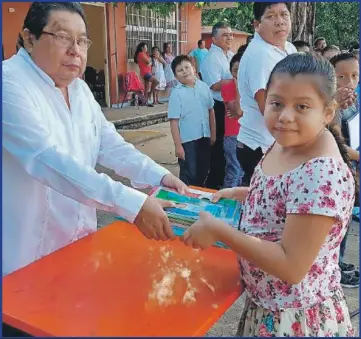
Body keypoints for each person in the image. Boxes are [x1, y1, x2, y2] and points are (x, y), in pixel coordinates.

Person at [2, 2, 188, 278]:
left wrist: (158, 176)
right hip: (25, 259)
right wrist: (131, 204)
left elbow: (109, 144)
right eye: (63, 37)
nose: (75, 50)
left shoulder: (78, 89)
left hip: (78, 249)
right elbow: (47, 160)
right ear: (30, 38)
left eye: (82, 41)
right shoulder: (10, 84)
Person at [182, 53, 355, 337]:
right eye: (277, 103)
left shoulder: (321, 173)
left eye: (302, 106)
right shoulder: (289, 141)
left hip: (295, 319)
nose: (285, 116)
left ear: (327, 112)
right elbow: (289, 196)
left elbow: (290, 266)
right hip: (267, 306)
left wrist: (219, 231)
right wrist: (249, 193)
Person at [237, 2, 297, 186]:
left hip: (278, 144)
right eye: (271, 16)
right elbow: (269, 110)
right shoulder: (260, 55)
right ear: (257, 24)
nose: (280, 22)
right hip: (261, 147)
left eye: (284, 14)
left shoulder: (289, 48)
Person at [330, 52, 360, 288]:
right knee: (338, 222)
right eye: (341, 76)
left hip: (352, 167)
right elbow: (339, 143)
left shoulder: (355, 102)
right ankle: (335, 269)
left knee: (348, 218)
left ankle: (340, 262)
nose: (349, 82)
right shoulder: (333, 106)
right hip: (339, 170)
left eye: (354, 75)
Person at [168, 55, 216, 186]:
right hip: (187, 141)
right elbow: (174, 122)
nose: (184, 71)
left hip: (204, 136)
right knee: (189, 174)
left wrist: (213, 134)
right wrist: (178, 146)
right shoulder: (176, 94)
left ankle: (198, 201)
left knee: (203, 170)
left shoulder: (204, 87)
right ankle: (186, 201)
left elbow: (211, 111)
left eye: (187, 67)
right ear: (176, 76)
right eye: (180, 70)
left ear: (193, 68)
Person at [200, 22, 234, 189]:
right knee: (218, 146)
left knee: (229, 145)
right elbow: (214, 84)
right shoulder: (211, 58)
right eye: (225, 35)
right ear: (214, 39)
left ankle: (222, 180)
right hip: (218, 106)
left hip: (230, 104)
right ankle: (213, 184)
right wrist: (235, 80)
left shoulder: (230, 55)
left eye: (230, 34)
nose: (229, 38)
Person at [221, 52, 244, 188]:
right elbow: (238, 110)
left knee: (242, 172)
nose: (239, 74)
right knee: (234, 171)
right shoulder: (228, 87)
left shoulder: (251, 87)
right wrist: (237, 87)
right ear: (231, 72)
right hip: (233, 135)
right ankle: (227, 202)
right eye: (236, 70)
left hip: (246, 135)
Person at [134, 42, 159, 107]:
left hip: (148, 72)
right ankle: (150, 94)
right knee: (156, 81)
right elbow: (148, 62)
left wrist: (149, 62)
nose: (147, 48)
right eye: (146, 47)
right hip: (145, 73)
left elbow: (150, 62)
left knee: (146, 87)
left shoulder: (145, 54)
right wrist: (149, 62)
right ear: (142, 48)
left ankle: (145, 102)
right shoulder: (141, 54)